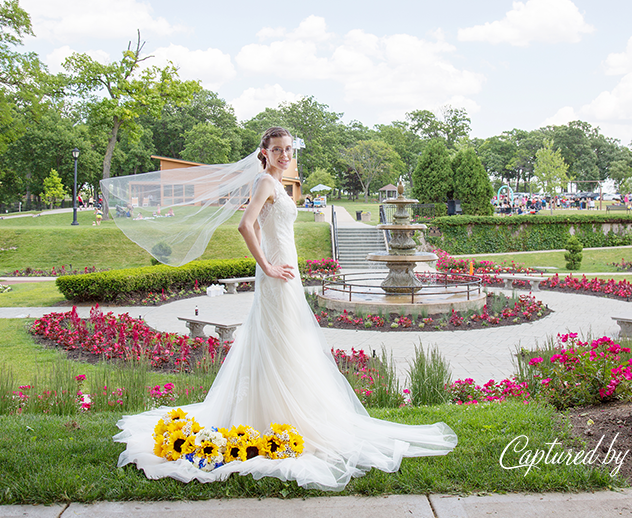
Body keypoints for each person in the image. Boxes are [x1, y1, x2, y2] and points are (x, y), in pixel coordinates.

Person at [113, 127, 456, 490]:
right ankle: (277, 416)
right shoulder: (265, 184)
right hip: (276, 277)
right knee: (280, 340)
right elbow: (245, 226)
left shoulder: (278, 184)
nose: (284, 155)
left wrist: (277, 264)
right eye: (277, 149)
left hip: (284, 275)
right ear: (265, 151)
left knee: (286, 343)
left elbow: (267, 227)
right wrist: (268, 267)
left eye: (288, 149)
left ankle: (287, 412)